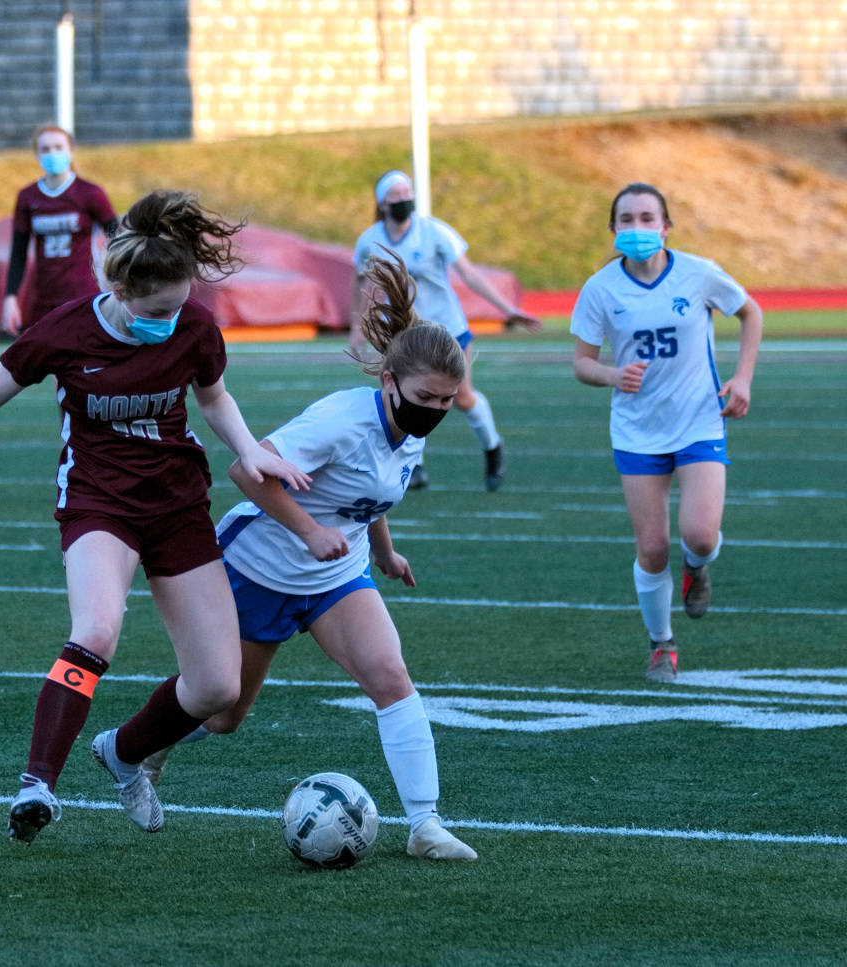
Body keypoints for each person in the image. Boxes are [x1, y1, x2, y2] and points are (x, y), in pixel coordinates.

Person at [0, 189, 310, 844]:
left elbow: (214, 398)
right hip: (99, 501)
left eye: (179, 304)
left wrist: (250, 450)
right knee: (96, 628)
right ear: (121, 291)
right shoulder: (66, 330)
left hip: (179, 504)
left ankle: (124, 752)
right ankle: (37, 782)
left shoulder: (194, 325)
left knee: (218, 687)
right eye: (157, 309)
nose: (171, 317)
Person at [144, 252, 478, 862]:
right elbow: (248, 470)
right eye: (426, 396)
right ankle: (145, 739)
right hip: (259, 568)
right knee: (222, 714)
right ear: (389, 383)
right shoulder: (341, 420)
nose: (435, 409)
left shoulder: (409, 432)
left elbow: (365, 496)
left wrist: (383, 551)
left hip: (335, 576)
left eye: (447, 400)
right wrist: (305, 530)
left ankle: (426, 824)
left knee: (391, 677)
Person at [571, 182, 763, 683]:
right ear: (613, 229)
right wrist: (615, 375)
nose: (637, 228)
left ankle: (697, 568)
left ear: (666, 226)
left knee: (698, 535)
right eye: (627, 219)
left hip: (700, 421)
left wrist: (741, 378)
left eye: (647, 218)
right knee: (652, 548)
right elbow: (582, 364)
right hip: (637, 432)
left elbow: (750, 312)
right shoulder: (601, 289)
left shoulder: (698, 274)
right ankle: (662, 645)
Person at [351, 170, 541, 491]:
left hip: (446, 329)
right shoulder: (370, 240)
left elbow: (469, 274)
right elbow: (360, 281)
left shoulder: (434, 231)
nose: (402, 199)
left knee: (462, 397)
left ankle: (492, 447)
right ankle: (414, 466)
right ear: (382, 203)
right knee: (401, 397)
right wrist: (357, 325)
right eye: (394, 195)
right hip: (403, 333)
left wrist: (508, 309)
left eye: (406, 192)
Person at [0, 123, 118, 337]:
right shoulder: (28, 197)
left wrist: (119, 283)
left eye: (58, 147)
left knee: (82, 362)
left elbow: (119, 238)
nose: (52, 153)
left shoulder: (89, 193)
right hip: (44, 297)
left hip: (83, 293)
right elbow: (18, 253)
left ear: (71, 151)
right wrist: (10, 298)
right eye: (45, 149)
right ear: (37, 154)